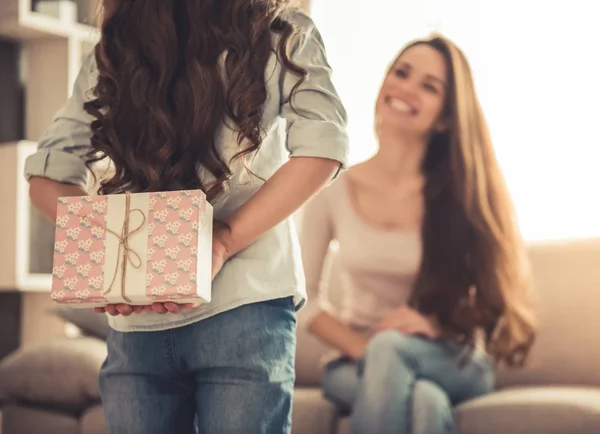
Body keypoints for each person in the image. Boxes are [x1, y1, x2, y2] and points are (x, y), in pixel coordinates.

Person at [25, 1, 349, 433]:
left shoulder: (117, 47)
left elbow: (47, 176)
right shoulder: (281, 33)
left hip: (140, 312)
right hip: (245, 301)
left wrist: (113, 252)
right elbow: (322, 149)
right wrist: (223, 239)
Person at [300, 34, 536, 434]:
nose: (406, 88)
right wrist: (368, 349)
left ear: (446, 117)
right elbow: (302, 297)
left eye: (429, 86)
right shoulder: (332, 188)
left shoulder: (465, 194)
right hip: (358, 358)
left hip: (453, 357)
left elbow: (499, 298)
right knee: (424, 400)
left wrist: (438, 325)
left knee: (393, 351)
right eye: (402, 72)